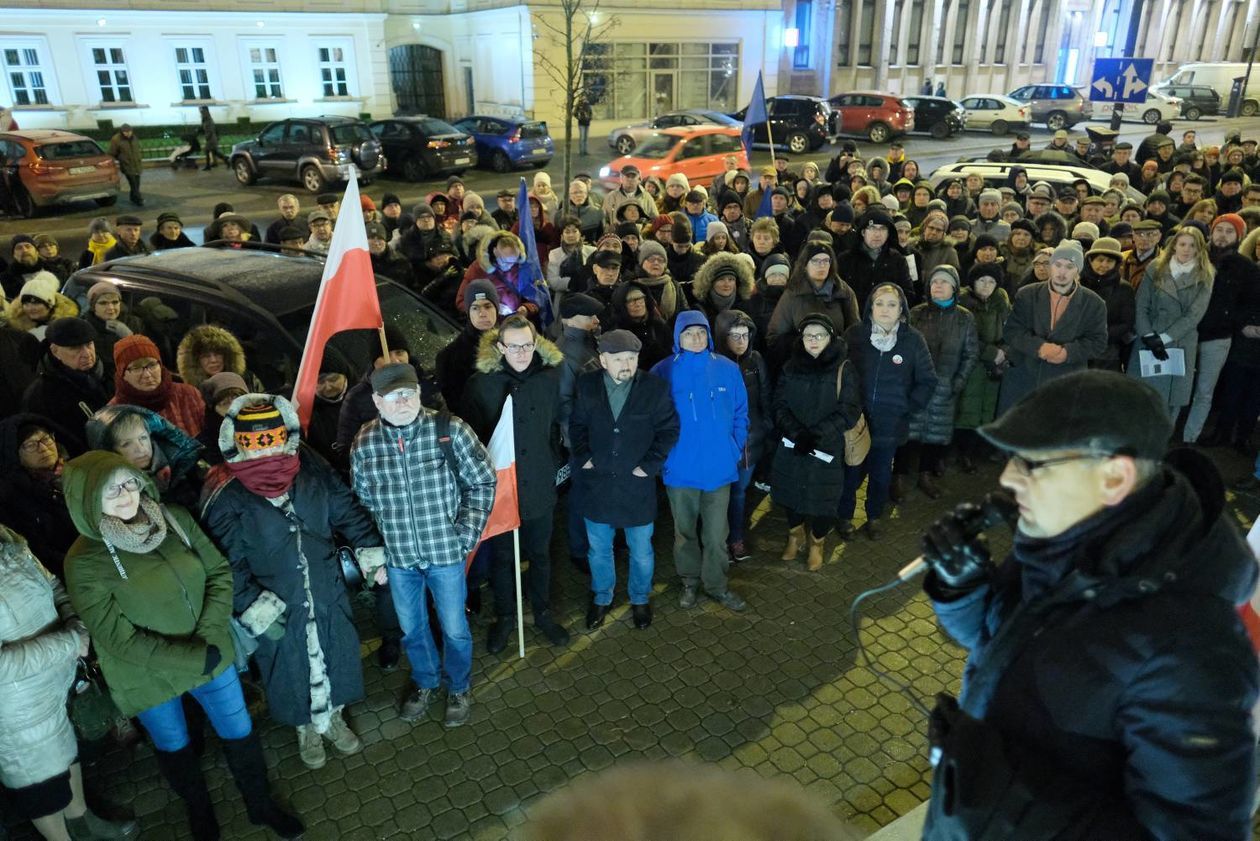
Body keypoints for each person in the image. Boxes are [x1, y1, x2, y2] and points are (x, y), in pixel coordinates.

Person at [919, 370, 1258, 839]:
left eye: (1031, 464)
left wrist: (1002, 801)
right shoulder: (1059, 542)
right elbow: (993, 638)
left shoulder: (1190, 650)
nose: (1006, 477)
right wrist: (962, 583)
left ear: (1114, 477)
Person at [62, 451, 304, 841]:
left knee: (239, 730)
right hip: (150, 674)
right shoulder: (83, 561)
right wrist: (194, 655)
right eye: (110, 491)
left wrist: (208, 638)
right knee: (175, 746)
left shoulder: (172, 518)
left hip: (210, 653)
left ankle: (260, 805)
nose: (126, 495)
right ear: (87, 500)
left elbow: (218, 573)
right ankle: (199, 811)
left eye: (129, 482)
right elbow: (116, 638)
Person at [200, 395, 383, 769]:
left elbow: (345, 509)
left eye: (271, 436)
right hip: (277, 599)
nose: (265, 448)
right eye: (254, 440)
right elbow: (225, 562)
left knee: (337, 650)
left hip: (325, 585)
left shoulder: (310, 468)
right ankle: (305, 728)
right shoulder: (225, 492)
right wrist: (254, 606)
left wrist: (370, 550)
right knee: (287, 665)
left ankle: (333, 717)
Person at [351, 363, 495, 727]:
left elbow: (483, 482)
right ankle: (426, 680)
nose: (403, 402)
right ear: (377, 402)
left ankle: (459, 686)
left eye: (409, 393)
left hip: (445, 554)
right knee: (412, 629)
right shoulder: (364, 443)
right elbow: (362, 500)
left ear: (419, 393)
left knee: (454, 629)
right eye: (393, 396)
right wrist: (375, 555)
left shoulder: (450, 430)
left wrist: (464, 536)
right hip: (399, 560)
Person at [0, 522, 139, 841]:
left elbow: (50, 583)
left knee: (68, 755)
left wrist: (74, 621)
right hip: (20, 713)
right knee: (43, 790)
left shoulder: (5, 535)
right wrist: (68, 642)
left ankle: (85, 824)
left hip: (57, 682)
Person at [462, 315, 570, 651]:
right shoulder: (481, 384)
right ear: (500, 347)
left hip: (538, 483)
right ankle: (506, 616)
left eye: (527, 345)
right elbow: (471, 439)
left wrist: (554, 464)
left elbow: (557, 426)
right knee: (503, 559)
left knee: (540, 554)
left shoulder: (550, 378)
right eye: (514, 346)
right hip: (502, 488)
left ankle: (542, 612)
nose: (522, 352)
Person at [569, 330, 678, 630]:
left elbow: (669, 430)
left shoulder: (654, 388)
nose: (626, 365)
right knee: (598, 549)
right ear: (603, 360)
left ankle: (640, 599)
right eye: (618, 359)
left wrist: (649, 467)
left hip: (636, 486)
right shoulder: (587, 385)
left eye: (631, 358)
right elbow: (576, 425)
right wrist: (584, 457)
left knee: (641, 550)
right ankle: (601, 597)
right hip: (598, 485)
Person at [650, 311, 749, 611]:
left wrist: (734, 449)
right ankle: (689, 582)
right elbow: (652, 419)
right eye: (689, 333)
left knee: (717, 536)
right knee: (684, 534)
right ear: (677, 338)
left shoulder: (728, 369)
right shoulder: (662, 371)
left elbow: (741, 413)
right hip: (680, 471)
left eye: (701, 332)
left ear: (709, 335)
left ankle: (716, 585)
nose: (696, 338)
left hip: (719, 469)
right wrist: (665, 457)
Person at [839, 283, 937, 537]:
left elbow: (927, 380)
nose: (885, 309)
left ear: (901, 310)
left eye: (892, 304)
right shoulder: (854, 335)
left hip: (890, 422)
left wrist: (907, 407)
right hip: (856, 420)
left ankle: (874, 517)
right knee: (850, 472)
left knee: (881, 473)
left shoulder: (913, 340)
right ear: (870, 306)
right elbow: (838, 372)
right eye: (879, 303)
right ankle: (844, 517)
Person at [771, 313, 862, 570]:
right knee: (791, 493)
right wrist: (797, 433)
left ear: (830, 338)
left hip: (826, 446)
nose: (813, 340)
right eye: (808, 335)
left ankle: (817, 542)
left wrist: (816, 435)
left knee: (824, 498)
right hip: (794, 444)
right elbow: (778, 405)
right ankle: (795, 535)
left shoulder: (844, 368)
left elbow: (849, 410)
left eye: (819, 335)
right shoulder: (790, 367)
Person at [896, 266, 978, 499]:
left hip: (945, 389)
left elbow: (971, 353)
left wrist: (957, 383)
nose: (938, 286)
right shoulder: (917, 313)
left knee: (935, 435)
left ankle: (925, 475)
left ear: (954, 287)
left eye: (944, 282)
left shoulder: (965, 318)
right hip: (915, 387)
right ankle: (898, 476)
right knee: (906, 434)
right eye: (934, 282)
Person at [998, 241, 1109, 415]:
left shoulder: (1094, 303)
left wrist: (1067, 352)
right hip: (1024, 376)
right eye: (1058, 265)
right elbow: (1012, 331)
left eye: (1069, 266)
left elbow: (1098, 342)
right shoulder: (1027, 294)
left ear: (1077, 271)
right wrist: (1040, 347)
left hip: (1066, 379)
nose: (1062, 272)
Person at [1128, 226, 1213, 423]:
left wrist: (1164, 339)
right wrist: (1149, 336)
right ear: (1174, 246)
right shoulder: (1155, 268)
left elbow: (1194, 315)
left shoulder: (1205, 275)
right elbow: (1141, 305)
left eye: (1192, 246)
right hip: (1148, 339)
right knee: (1142, 394)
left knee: (1170, 400)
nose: (1186, 249)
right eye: (1182, 244)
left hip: (1179, 342)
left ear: (1199, 249)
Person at [1184, 214, 1251, 444]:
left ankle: (1190, 437)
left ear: (1238, 236)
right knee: (1181, 385)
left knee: (1204, 390)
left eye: (1229, 231)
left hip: (1219, 337)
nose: (1222, 235)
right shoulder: (1195, 258)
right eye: (1219, 229)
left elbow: (1249, 304)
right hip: (1188, 332)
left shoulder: (1246, 268)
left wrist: (1231, 320)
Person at [714, 310, 771, 562]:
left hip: (752, 441)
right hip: (722, 445)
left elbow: (766, 398)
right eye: (733, 335)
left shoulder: (756, 361)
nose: (740, 341)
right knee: (718, 497)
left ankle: (735, 539)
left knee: (739, 493)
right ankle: (718, 542)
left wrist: (766, 428)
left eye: (745, 335)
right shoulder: (713, 363)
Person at [0, 414, 81, 580]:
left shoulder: (80, 468)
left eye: (46, 439)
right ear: (15, 454)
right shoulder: (15, 499)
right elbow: (38, 549)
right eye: (30, 445)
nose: (43, 448)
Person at [86, 405, 204, 510]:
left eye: (143, 438)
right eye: (126, 444)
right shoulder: (120, 496)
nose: (141, 449)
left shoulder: (187, 460)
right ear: (111, 452)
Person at [23, 318, 113, 452]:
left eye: (89, 344)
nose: (86, 354)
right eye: (75, 348)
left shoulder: (112, 373)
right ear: (55, 351)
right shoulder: (41, 394)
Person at [954, 264, 1012, 472]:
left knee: (987, 407)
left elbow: (1011, 330)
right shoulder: (963, 303)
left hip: (994, 365)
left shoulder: (1001, 302)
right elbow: (963, 337)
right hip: (972, 364)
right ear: (973, 282)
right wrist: (991, 352)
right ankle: (964, 453)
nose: (986, 286)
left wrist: (1004, 351)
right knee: (968, 409)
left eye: (991, 281)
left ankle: (978, 449)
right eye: (982, 280)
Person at [766, 242, 860, 365]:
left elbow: (854, 332)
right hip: (802, 364)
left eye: (826, 261)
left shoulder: (843, 292)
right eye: (815, 261)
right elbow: (775, 337)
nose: (822, 266)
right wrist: (803, 345)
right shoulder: (793, 294)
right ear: (805, 265)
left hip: (836, 363)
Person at [109, 334, 205, 438]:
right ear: (123, 374)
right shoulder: (114, 414)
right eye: (136, 368)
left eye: (151, 365)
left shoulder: (188, 395)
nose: (147, 374)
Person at [435, 280, 501, 413]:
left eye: (487, 306)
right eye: (475, 308)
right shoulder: (449, 358)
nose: (482, 313)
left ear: (497, 309)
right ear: (468, 312)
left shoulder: (514, 344)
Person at [8, 272, 78, 341]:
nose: (30, 308)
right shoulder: (17, 329)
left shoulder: (66, 327)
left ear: (50, 304)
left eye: (36, 303)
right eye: (26, 304)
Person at [107, 124, 143, 206]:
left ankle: (133, 197)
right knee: (133, 183)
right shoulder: (116, 139)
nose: (128, 133)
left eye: (129, 131)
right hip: (126, 165)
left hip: (137, 164)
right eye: (125, 132)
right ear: (122, 132)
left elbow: (137, 149)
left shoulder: (134, 137)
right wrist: (121, 159)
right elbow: (112, 152)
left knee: (137, 183)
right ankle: (138, 199)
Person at [198, 106, 226, 170]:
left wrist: (207, 137)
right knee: (214, 152)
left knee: (207, 150)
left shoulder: (207, 119)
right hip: (211, 138)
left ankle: (208, 166)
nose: (200, 113)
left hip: (211, 138)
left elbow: (210, 130)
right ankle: (226, 160)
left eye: (201, 111)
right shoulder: (206, 119)